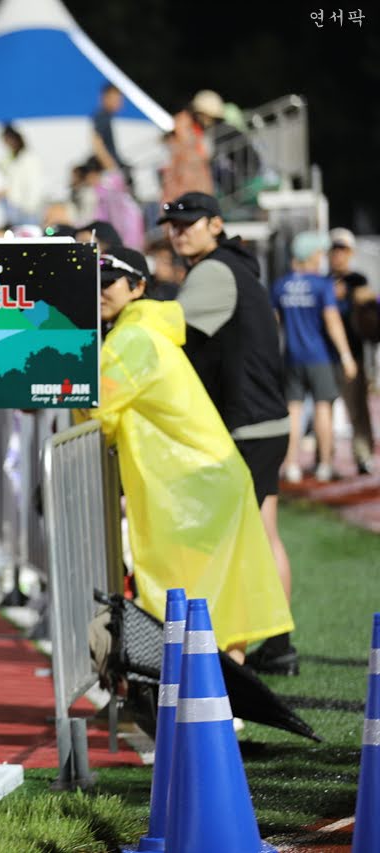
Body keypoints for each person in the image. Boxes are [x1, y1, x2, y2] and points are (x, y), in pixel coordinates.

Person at [83, 247, 292, 658]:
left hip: (195, 488)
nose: (100, 292)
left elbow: (97, 409)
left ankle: (214, 691)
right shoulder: (144, 329)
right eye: (95, 284)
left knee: (193, 599)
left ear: (137, 287)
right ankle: (224, 690)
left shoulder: (132, 338)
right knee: (217, 601)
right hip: (207, 481)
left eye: (109, 283)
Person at [159, 191, 298, 675]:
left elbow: (170, 331)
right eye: (172, 225)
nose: (178, 232)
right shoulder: (232, 265)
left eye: (189, 223)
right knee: (265, 532)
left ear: (215, 225)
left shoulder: (214, 271)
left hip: (247, 424)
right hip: (266, 420)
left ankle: (241, 653)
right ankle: (278, 646)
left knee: (234, 542)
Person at [270, 231, 357, 483]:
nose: (322, 257)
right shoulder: (321, 285)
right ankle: (325, 465)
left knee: (293, 412)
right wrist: (346, 355)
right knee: (323, 409)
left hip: (291, 357)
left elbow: (273, 324)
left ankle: (291, 464)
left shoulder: (281, 285)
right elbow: (332, 320)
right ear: (310, 255)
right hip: (320, 357)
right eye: (319, 253)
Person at [327, 228, 377, 474]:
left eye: (343, 250)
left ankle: (363, 454)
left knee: (357, 407)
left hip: (353, 353)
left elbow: (369, 312)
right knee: (324, 408)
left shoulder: (358, 280)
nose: (338, 255)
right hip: (326, 354)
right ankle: (325, 458)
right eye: (335, 250)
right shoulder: (323, 281)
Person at [0, 125, 44, 225]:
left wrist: (30, 205)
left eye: (7, 140)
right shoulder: (8, 158)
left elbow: (34, 182)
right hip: (13, 206)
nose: (6, 144)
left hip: (28, 208)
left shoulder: (29, 158)